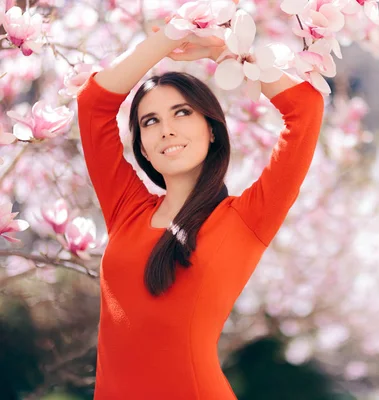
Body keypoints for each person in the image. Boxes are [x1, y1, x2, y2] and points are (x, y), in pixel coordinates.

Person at [76, 20, 324, 400]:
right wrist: (169, 36)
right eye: (150, 121)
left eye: (182, 113)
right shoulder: (125, 208)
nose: (166, 130)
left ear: (212, 129)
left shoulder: (247, 218)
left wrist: (221, 49)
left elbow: (306, 108)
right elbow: (93, 104)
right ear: (141, 147)